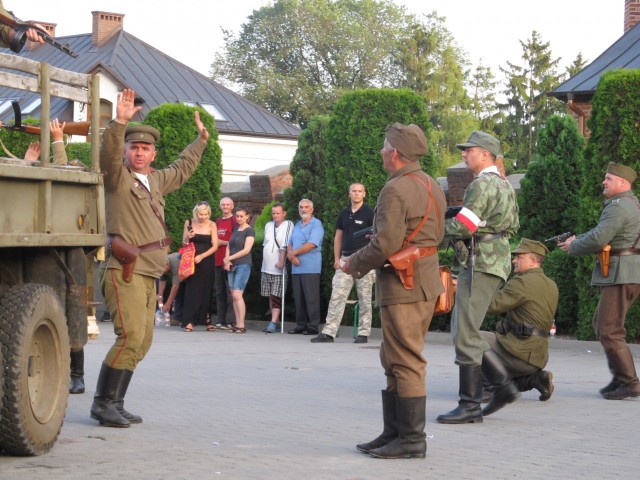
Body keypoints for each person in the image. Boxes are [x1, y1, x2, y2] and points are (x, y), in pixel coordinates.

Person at [90, 88, 209, 428]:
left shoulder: (155, 180)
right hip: (124, 268)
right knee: (129, 337)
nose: (139, 153)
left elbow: (182, 168)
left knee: (142, 340)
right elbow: (107, 157)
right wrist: (119, 122)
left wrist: (200, 141)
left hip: (149, 271)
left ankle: (116, 401)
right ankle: (101, 404)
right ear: (127, 150)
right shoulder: (117, 177)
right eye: (134, 147)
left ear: (153, 152)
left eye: (145, 148)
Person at [342, 123, 446, 459]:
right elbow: (433, 233)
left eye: (385, 147)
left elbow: (385, 243)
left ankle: (412, 440)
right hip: (425, 279)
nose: (382, 152)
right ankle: (395, 432)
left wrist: (352, 263)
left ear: (396, 154)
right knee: (393, 356)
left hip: (404, 283)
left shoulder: (395, 189)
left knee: (405, 360)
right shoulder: (432, 184)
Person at [437, 131, 520, 425]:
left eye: (468, 150)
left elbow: (465, 226)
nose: (463, 154)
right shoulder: (502, 183)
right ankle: (500, 386)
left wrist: (432, 228)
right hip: (490, 259)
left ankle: (473, 403)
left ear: (485, 153)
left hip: (480, 261)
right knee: (465, 329)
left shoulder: (482, 184)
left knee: (464, 332)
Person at [559, 162, 640, 400]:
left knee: (609, 329)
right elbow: (601, 233)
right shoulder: (629, 204)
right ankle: (620, 376)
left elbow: (599, 238)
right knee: (601, 324)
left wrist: (574, 245)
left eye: (608, 178)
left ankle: (629, 381)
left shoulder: (618, 206)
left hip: (621, 273)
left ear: (623, 183)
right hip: (625, 272)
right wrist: (577, 239)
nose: (603, 182)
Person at [480, 238, 559, 402]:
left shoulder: (522, 282)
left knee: (473, 338)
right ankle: (536, 379)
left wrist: (471, 289)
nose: (514, 260)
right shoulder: (551, 284)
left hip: (520, 353)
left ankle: (490, 388)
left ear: (532, 260)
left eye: (519, 257)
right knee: (508, 377)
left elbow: (491, 306)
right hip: (538, 357)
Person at [311, 182, 375, 344]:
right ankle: (329, 332)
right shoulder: (344, 213)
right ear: (349, 194)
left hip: (364, 261)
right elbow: (338, 237)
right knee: (337, 296)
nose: (357, 194)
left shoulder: (369, 212)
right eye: (354, 191)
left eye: (360, 191)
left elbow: (376, 236)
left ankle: (363, 332)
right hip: (345, 259)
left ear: (364, 194)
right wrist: (336, 258)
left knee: (364, 297)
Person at [287, 199, 324, 335]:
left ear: (312, 209)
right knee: (299, 297)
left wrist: (293, 254)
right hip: (296, 268)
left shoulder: (316, 224)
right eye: (301, 207)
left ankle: (313, 325)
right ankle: (300, 325)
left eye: (306, 207)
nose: (303, 209)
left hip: (311, 267)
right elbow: (290, 242)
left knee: (311, 297)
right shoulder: (297, 225)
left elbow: (312, 244)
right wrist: (291, 256)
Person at [181, 202, 218, 332]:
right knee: (192, 289)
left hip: (206, 259)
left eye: (206, 214)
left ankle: (207, 319)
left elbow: (215, 246)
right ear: (196, 213)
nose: (203, 217)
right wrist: (187, 237)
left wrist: (202, 256)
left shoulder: (212, 224)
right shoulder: (189, 222)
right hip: (191, 260)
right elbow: (184, 243)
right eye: (201, 214)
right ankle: (190, 320)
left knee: (206, 288)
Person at [261, 202, 293, 333]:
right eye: (273, 213)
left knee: (276, 296)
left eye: (278, 213)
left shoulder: (288, 224)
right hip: (266, 267)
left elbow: (285, 244)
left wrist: (281, 261)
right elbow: (265, 244)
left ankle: (273, 322)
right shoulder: (268, 225)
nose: (275, 215)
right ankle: (275, 321)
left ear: (284, 213)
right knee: (270, 296)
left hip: (278, 269)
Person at [224, 206, 255, 334]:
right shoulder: (236, 229)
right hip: (232, 265)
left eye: (241, 216)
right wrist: (227, 260)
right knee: (234, 295)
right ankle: (237, 324)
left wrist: (230, 257)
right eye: (237, 216)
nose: (239, 218)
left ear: (247, 216)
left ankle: (241, 324)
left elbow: (246, 250)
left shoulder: (249, 230)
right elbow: (228, 245)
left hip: (243, 264)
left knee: (237, 294)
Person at [211, 197, 237, 330]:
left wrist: (222, 243)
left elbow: (237, 241)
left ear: (232, 206)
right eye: (223, 205)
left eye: (228, 204)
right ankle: (221, 320)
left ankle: (230, 321)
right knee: (219, 291)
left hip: (229, 261)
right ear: (220, 206)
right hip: (217, 260)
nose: (225, 207)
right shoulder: (218, 221)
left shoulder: (234, 221)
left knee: (230, 291)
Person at [159, 251, 183, 326]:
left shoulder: (175, 262)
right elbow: (162, 281)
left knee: (180, 292)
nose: (163, 273)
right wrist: (160, 297)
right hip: (182, 275)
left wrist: (168, 304)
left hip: (190, 272)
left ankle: (179, 318)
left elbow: (175, 286)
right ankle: (178, 318)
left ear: (167, 265)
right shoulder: (162, 264)